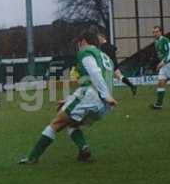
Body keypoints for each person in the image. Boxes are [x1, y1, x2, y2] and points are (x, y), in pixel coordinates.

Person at [19, 31, 117, 164]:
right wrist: (70, 99)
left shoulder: (85, 51)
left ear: (83, 41)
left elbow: (94, 73)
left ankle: (32, 157)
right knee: (71, 123)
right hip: (104, 106)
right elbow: (101, 78)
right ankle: (84, 149)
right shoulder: (105, 57)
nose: (78, 46)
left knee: (56, 123)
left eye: (78, 43)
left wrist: (106, 95)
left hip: (94, 96)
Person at [151, 26, 170, 110]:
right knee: (160, 83)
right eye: (154, 32)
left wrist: (163, 62)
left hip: (168, 64)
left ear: (161, 32)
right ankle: (159, 105)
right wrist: (160, 64)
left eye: (157, 31)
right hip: (163, 66)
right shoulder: (156, 42)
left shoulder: (165, 40)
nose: (155, 33)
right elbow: (160, 54)